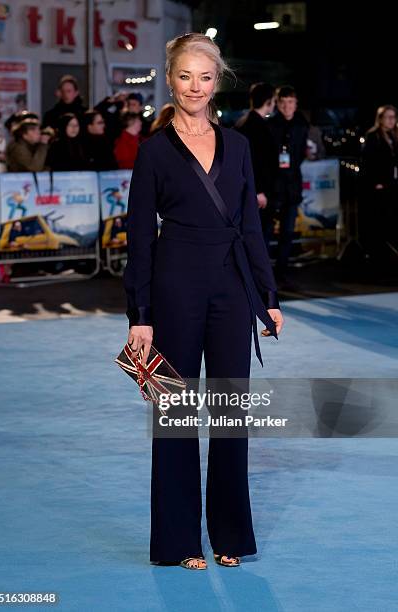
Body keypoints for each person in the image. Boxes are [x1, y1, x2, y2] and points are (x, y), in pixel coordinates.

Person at [123, 32, 283, 571]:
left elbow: (252, 227)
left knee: (231, 413)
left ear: (217, 83)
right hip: (172, 290)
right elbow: (140, 238)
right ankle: (179, 541)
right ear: (171, 80)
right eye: (185, 76)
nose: (195, 86)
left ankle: (230, 536)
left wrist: (268, 296)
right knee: (176, 415)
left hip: (233, 289)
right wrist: (139, 317)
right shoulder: (152, 153)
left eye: (205, 76)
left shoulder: (238, 146)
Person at [264, 85, 309, 286]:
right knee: (266, 232)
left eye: (290, 102)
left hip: (292, 187)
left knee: (287, 232)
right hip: (273, 187)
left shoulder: (301, 124)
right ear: (277, 104)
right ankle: (264, 277)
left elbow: (300, 154)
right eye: (283, 103)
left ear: (296, 103)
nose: (287, 106)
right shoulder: (270, 125)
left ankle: (281, 273)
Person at [360, 104, 398, 259]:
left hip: (392, 182)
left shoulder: (394, 135)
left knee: (390, 216)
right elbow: (368, 161)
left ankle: (388, 250)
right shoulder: (373, 136)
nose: (391, 120)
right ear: (380, 119)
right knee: (379, 217)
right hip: (378, 183)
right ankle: (376, 252)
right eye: (387, 117)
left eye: (393, 117)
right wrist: (375, 181)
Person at [235, 82, 276, 218]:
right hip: (257, 193)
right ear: (268, 101)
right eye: (274, 100)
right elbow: (256, 161)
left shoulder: (242, 122)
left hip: (246, 189)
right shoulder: (259, 127)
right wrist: (259, 191)